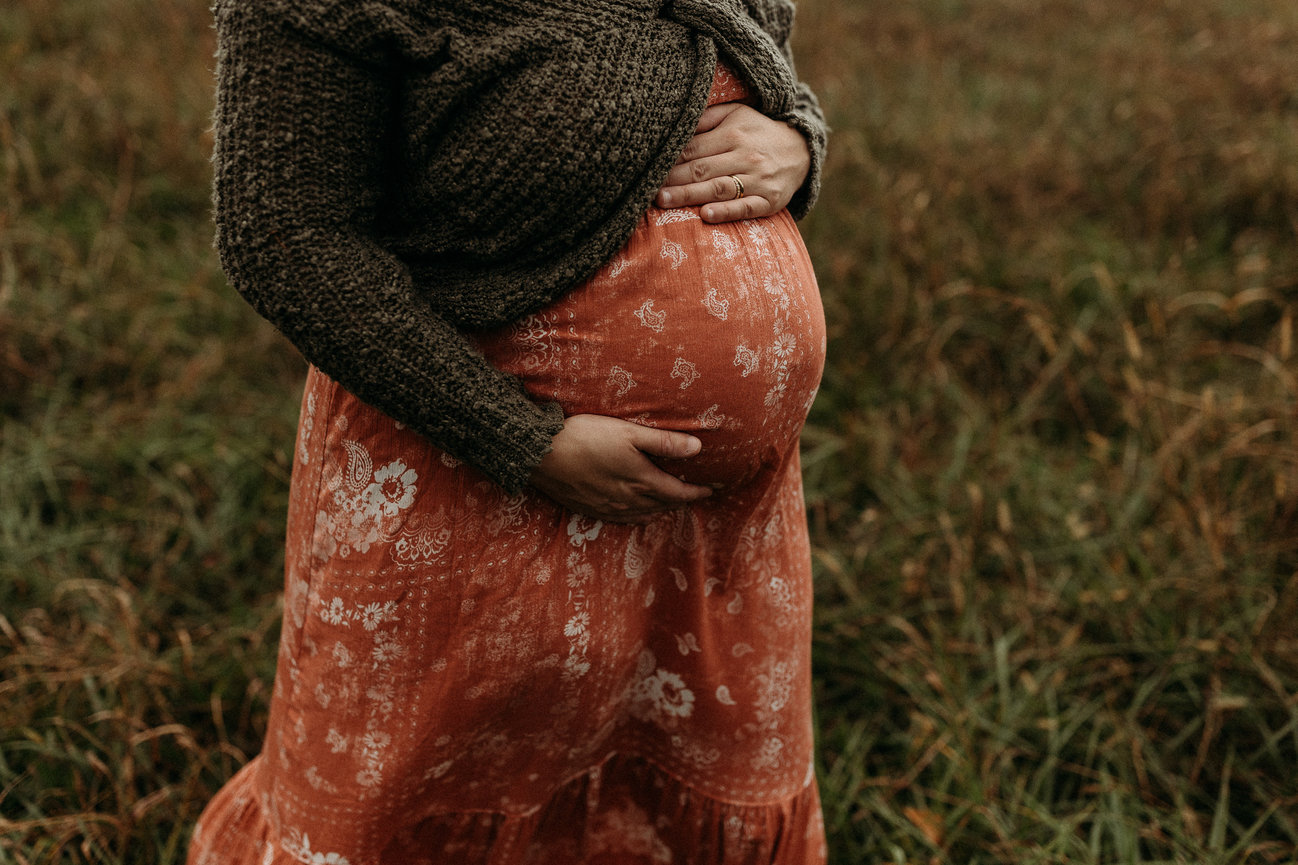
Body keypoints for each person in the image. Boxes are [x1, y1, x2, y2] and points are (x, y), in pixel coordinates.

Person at [189, 0, 829, 861]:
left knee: (642, 784)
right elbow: (285, 234)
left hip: (704, 530)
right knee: (427, 788)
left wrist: (797, 142)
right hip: (471, 476)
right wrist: (521, 441)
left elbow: (750, 65)